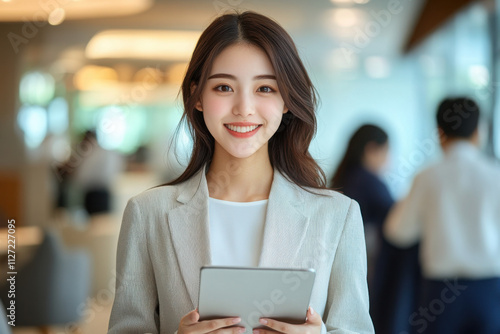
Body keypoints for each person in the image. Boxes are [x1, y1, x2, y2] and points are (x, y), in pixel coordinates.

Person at [108, 11, 374, 334]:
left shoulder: (338, 216)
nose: (244, 108)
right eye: (223, 87)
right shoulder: (147, 214)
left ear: (287, 100)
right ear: (198, 97)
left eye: (265, 89)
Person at [384, 97, 500, 334]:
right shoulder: (495, 175)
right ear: (479, 131)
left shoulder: (426, 177)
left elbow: (398, 232)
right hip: (490, 288)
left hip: (439, 293)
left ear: (439, 133)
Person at [331, 125, 420, 334]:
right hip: (370, 267)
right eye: (387, 152)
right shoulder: (368, 182)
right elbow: (397, 224)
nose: (389, 160)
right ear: (371, 149)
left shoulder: (344, 179)